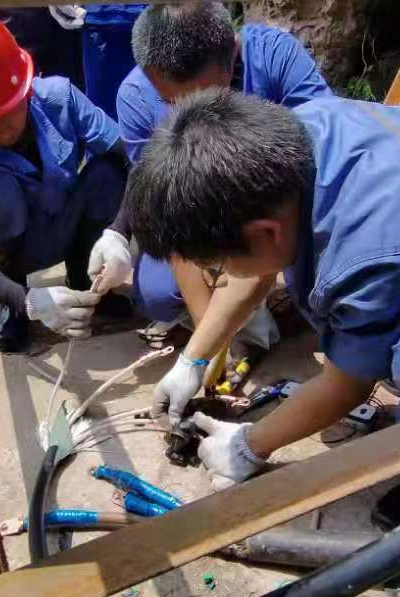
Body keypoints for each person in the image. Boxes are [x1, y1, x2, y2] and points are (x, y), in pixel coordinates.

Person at [125, 88, 400, 529]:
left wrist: (248, 445)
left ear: (266, 232)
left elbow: (348, 385)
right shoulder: (301, 137)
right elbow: (257, 266)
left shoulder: (376, 248)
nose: (222, 273)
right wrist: (193, 359)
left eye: (219, 264)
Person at [88, 2, 333, 388]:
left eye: (208, 94)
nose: (195, 117)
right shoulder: (137, 96)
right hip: (201, 217)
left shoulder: (275, 57)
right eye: (173, 102)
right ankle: (241, 313)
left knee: (317, 271)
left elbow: (323, 157)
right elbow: (170, 212)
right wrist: (208, 348)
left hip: (279, 209)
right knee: (156, 294)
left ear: (232, 51)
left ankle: (293, 299)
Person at [0, 8, 130, 352]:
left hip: (66, 222)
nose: (2, 127)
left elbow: (132, 159)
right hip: (11, 253)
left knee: (108, 171)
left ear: (28, 88)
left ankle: (86, 278)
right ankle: (12, 303)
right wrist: (24, 299)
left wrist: (119, 232)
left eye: (10, 108)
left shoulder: (60, 97)